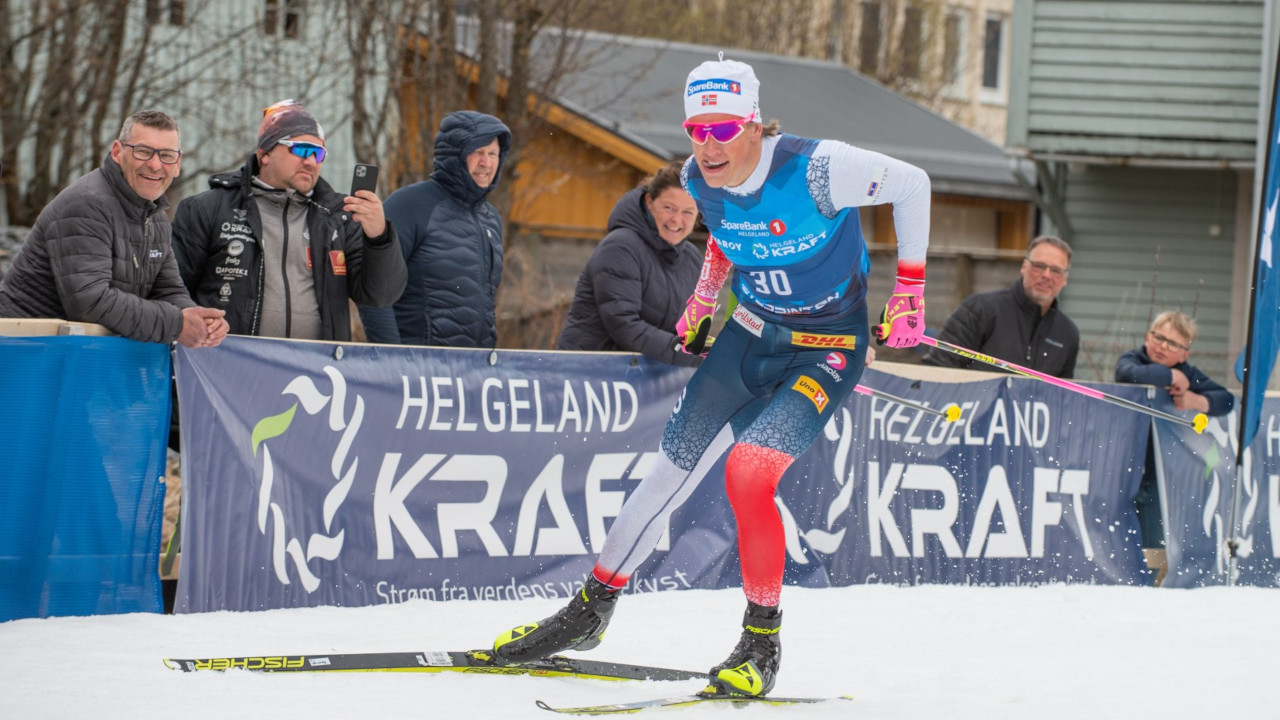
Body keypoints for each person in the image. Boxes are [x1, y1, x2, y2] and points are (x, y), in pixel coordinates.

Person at [486, 55, 931, 698]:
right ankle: (589, 611)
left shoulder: (819, 168)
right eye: (697, 128)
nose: (708, 143)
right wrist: (703, 300)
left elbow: (913, 184)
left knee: (748, 472)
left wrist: (910, 290)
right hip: (750, 337)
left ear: (754, 124)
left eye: (723, 128)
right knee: (670, 468)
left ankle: (760, 642)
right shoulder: (699, 177)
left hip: (826, 349)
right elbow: (725, 234)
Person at [172, 99, 406, 340]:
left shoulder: (339, 218)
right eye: (301, 149)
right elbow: (173, 291)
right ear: (265, 153)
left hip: (315, 372)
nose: (311, 161)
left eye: (318, 153)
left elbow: (381, 295)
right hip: (229, 367)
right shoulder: (208, 209)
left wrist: (379, 237)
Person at [0, 110, 227, 348]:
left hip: (76, 355)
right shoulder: (87, 204)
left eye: (167, 155)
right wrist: (177, 324)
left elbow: (168, 290)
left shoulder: (155, 217)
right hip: (25, 351)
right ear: (117, 152)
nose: (155, 164)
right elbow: (89, 302)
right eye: (143, 151)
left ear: (178, 164)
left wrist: (199, 320)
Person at [357, 110, 511, 347]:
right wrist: (390, 359)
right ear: (454, 155)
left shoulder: (490, 218)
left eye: (493, 153)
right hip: (417, 369)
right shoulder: (411, 205)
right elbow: (375, 288)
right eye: (477, 152)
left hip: (472, 373)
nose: (486, 163)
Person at [1114, 310, 1233, 585]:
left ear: (1185, 354)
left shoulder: (1188, 374)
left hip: (1160, 479)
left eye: (1173, 344)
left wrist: (1196, 400)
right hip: (1122, 471)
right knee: (1118, 544)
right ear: (1147, 337)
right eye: (1159, 337)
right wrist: (1169, 375)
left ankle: (1151, 592)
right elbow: (1127, 374)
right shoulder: (1133, 360)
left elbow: (1225, 399)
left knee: (1154, 548)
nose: (1163, 346)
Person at [556, 160, 704, 366]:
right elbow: (624, 325)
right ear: (649, 201)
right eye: (669, 208)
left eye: (687, 212)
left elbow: (688, 329)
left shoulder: (692, 259)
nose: (677, 220)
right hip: (589, 372)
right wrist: (687, 353)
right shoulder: (621, 247)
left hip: (644, 378)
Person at [921, 235, 1079, 377]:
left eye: (1056, 270)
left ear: (1065, 278)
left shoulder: (1067, 334)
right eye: (1039, 266)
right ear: (1024, 267)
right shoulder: (980, 309)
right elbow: (937, 369)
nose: (1046, 275)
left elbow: (1062, 398)